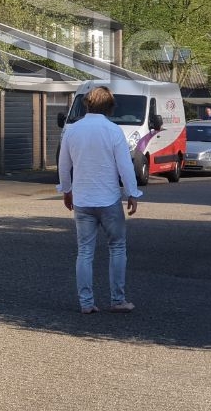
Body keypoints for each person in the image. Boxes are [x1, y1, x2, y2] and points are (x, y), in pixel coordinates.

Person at [57, 86, 142, 314]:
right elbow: (125, 166)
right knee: (117, 247)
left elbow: (64, 165)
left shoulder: (72, 131)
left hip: (83, 199)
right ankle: (118, 300)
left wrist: (66, 190)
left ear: (87, 104)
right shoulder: (113, 131)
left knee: (84, 252)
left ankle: (86, 303)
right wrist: (132, 193)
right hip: (109, 199)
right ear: (110, 106)